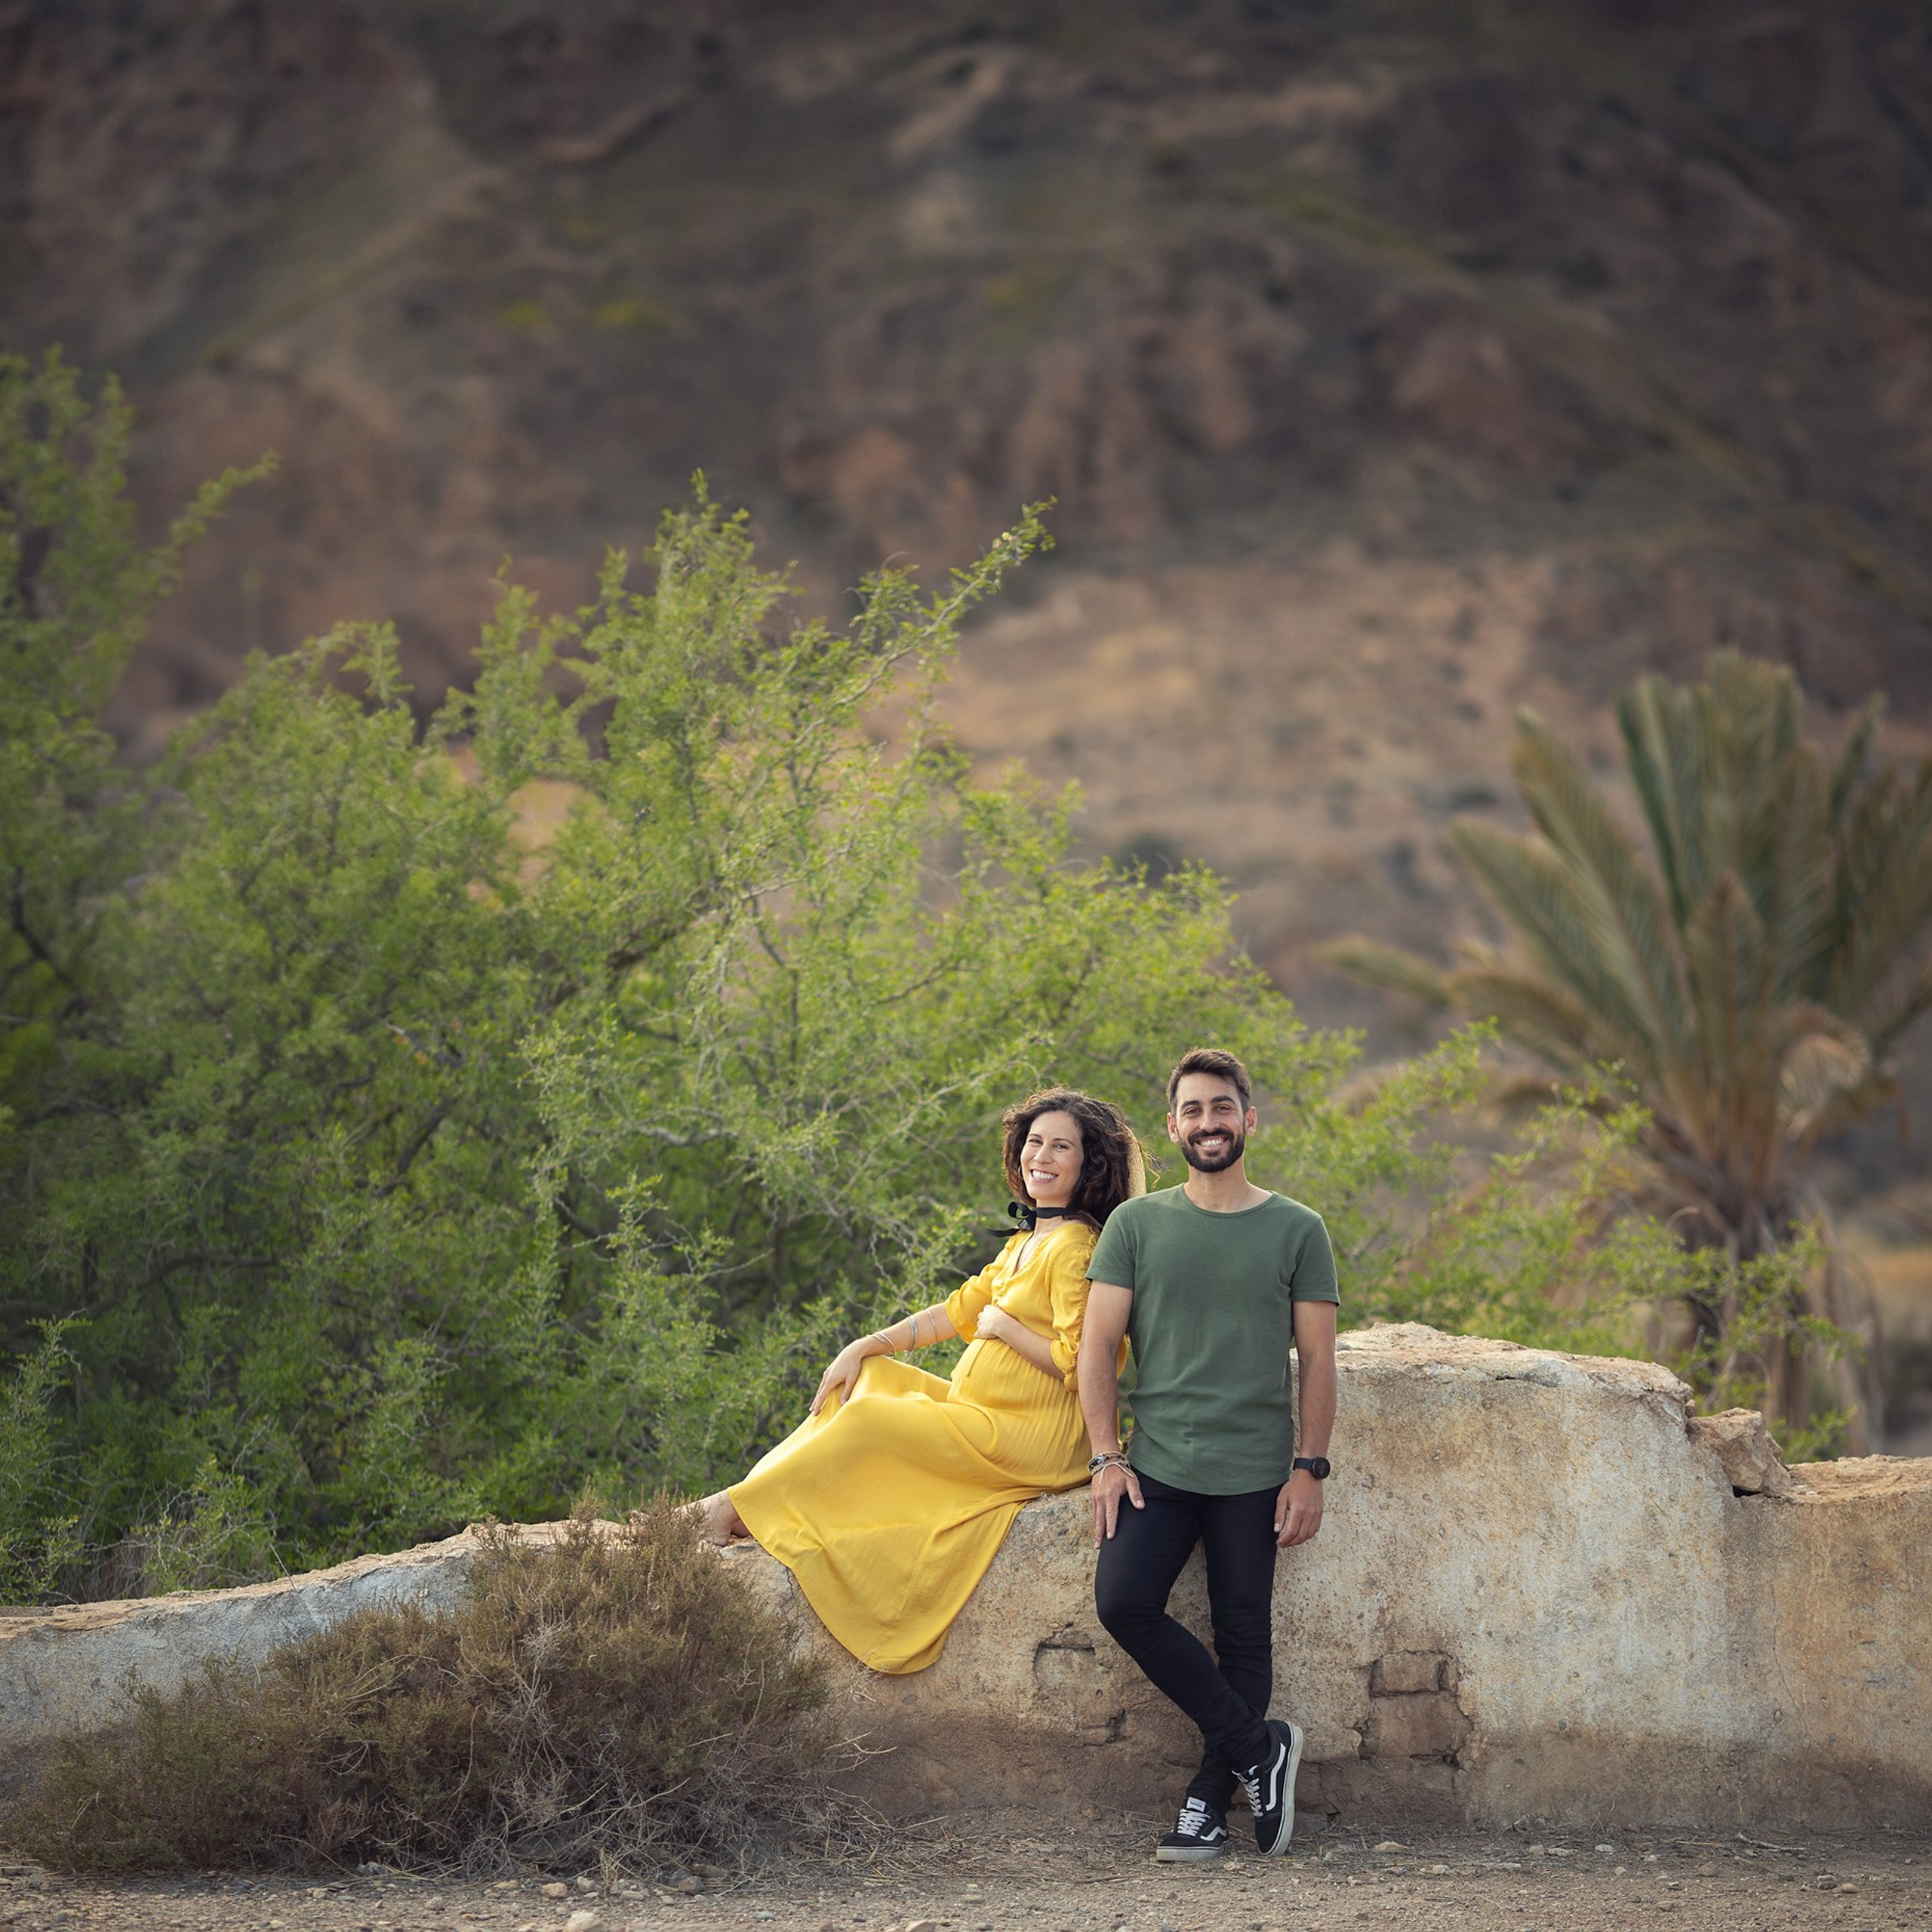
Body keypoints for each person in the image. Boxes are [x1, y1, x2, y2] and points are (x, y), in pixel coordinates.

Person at [692, 1087, 1143, 1674]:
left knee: (873, 1419)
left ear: (1088, 1166)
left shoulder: (1077, 1246)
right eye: (1036, 1142)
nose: (1043, 1156)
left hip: (1033, 1438)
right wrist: (864, 1345)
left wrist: (1006, 1328)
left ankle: (732, 1510)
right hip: (982, 1413)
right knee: (870, 1381)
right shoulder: (1027, 1242)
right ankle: (747, 1501)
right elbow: (952, 1313)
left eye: (1062, 1146)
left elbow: (1085, 1362)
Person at [1078, 1047, 1338, 1863]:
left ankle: (1203, 1804)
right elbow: (1096, 1348)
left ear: (1248, 1119)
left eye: (1221, 1107)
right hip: (1156, 1464)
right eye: (1192, 1110)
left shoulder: (1297, 1227)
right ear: (1173, 1126)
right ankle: (1261, 1748)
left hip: (1256, 1471)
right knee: (1123, 1602)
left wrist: (1310, 1467)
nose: (1208, 1122)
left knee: (1243, 1637)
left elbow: (1319, 1363)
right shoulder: (1137, 1224)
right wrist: (1104, 1457)